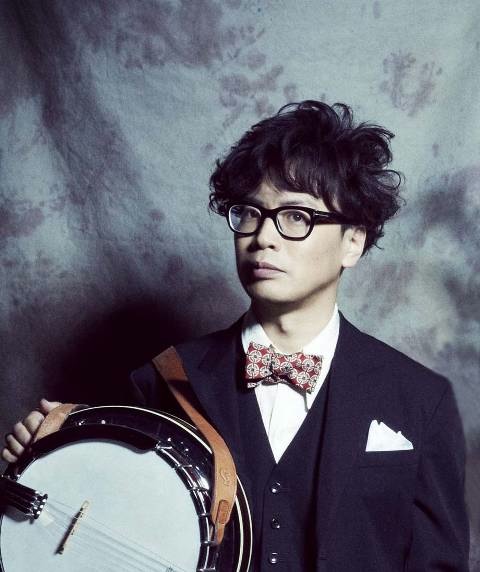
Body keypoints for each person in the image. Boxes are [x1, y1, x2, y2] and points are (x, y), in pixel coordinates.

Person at [2, 101, 469, 570]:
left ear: (353, 241)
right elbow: (108, 537)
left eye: (296, 216)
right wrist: (49, 459)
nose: (263, 237)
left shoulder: (420, 401)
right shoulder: (162, 380)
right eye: (249, 213)